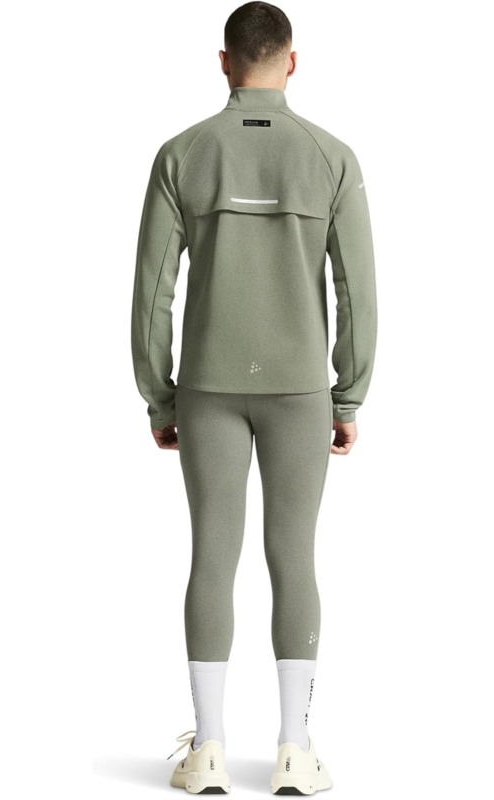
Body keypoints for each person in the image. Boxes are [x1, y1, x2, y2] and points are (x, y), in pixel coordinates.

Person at [131, 2, 377, 794]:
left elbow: (153, 292)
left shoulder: (182, 154)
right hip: (301, 392)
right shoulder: (332, 157)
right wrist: (348, 395)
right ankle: (294, 750)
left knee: (212, 554)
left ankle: (207, 749)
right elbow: (357, 290)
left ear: (224, 61)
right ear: (292, 62)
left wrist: (160, 396)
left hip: (207, 388)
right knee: (293, 556)